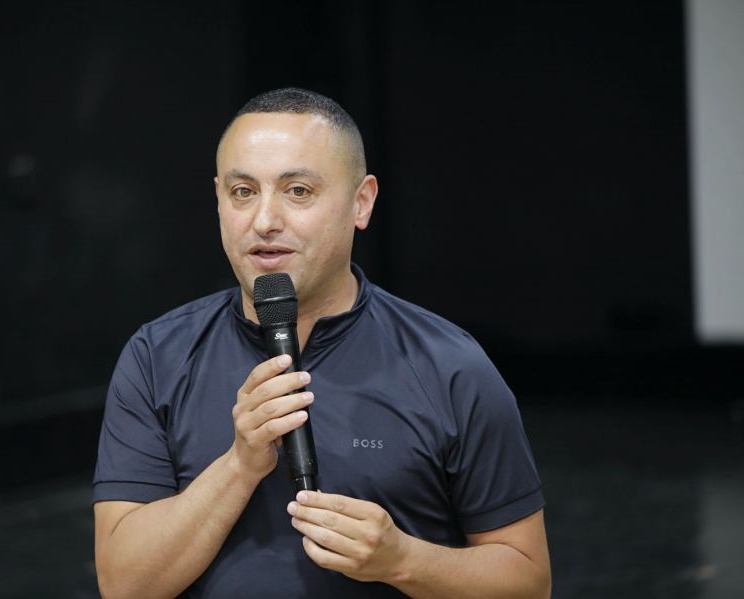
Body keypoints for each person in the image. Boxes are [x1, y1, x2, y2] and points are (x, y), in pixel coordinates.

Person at [92, 88, 551, 599]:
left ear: (361, 202)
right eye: (243, 192)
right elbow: (123, 585)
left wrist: (404, 560)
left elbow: (528, 584)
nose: (264, 220)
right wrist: (239, 465)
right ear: (218, 199)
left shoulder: (448, 365)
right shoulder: (157, 357)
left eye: (298, 191)